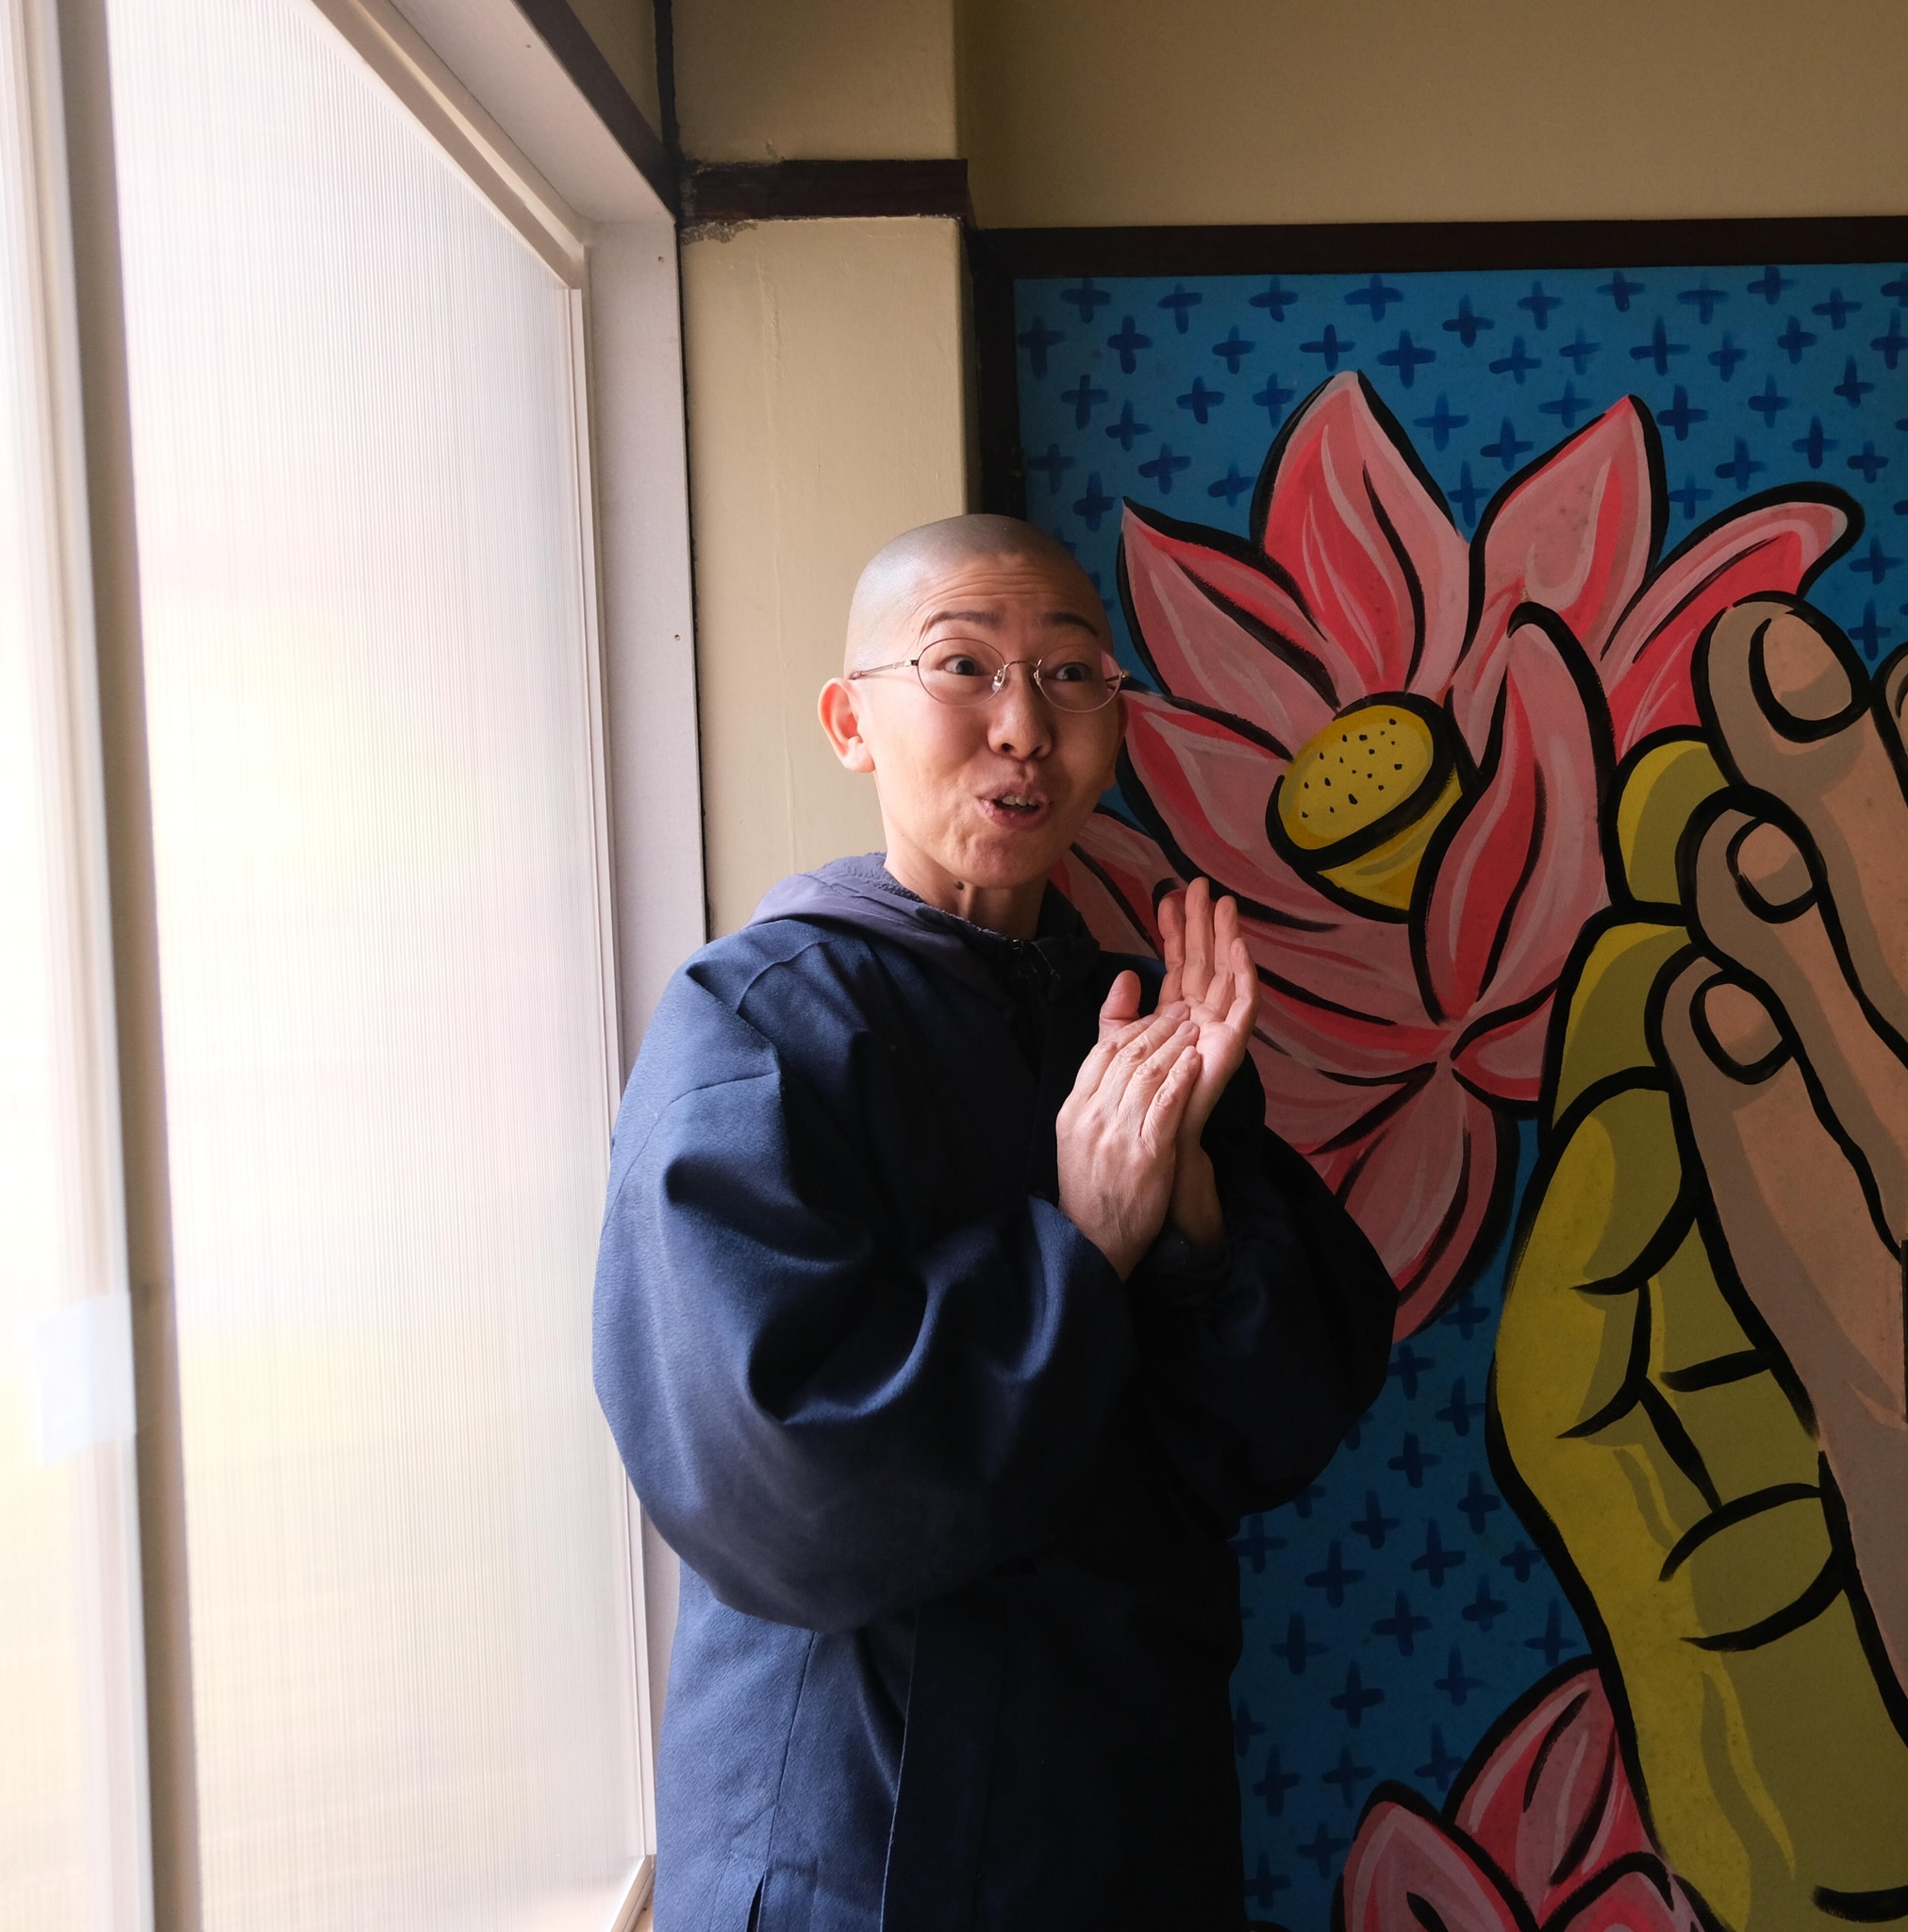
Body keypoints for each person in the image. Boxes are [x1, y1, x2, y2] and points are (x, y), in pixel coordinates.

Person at [593, 515, 1397, 1930]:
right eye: (963, 665)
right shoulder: (758, 1025)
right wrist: (1079, 1246)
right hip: (864, 1821)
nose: (1023, 726)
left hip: (1127, 1798)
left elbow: (1274, 1437)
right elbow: (778, 1481)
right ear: (854, 723)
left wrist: (1198, 1213)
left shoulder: (1142, 1027)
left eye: (1072, 675)